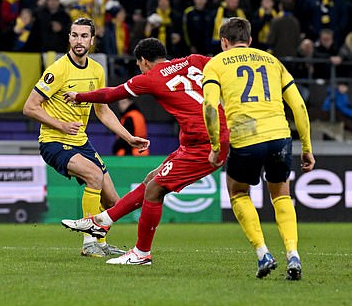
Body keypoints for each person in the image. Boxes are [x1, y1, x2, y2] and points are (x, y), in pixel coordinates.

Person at [61, 38, 229, 266]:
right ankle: (101, 221)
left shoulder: (151, 78)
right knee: (152, 178)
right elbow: (227, 68)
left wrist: (79, 96)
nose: (139, 67)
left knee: (154, 189)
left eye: (138, 64)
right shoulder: (195, 60)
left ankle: (141, 253)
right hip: (198, 139)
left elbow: (111, 94)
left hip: (206, 142)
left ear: (143, 61)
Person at [23, 17, 149, 258]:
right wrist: (60, 124)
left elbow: (102, 110)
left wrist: (128, 137)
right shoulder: (58, 70)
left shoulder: (96, 70)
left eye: (83, 36)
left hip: (80, 142)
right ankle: (89, 242)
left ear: (92, 40)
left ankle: (100, 243)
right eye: (74, 35)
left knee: (113, 201)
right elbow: (30, 107)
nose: (78, 40)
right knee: (93, 176)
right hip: (54, 142)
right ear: (68, 38)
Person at [202, 17, 315, 280]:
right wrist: (306, 147)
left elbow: (209, 106)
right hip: (279, 136)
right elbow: (298, 106)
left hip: (246, 137)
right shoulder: (272, 61)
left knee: (238, 192)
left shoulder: (215, 63)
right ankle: (293, 255)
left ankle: (263, 253)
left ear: (224, 42)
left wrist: (216, 145)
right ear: (250, 40)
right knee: (281, 194)